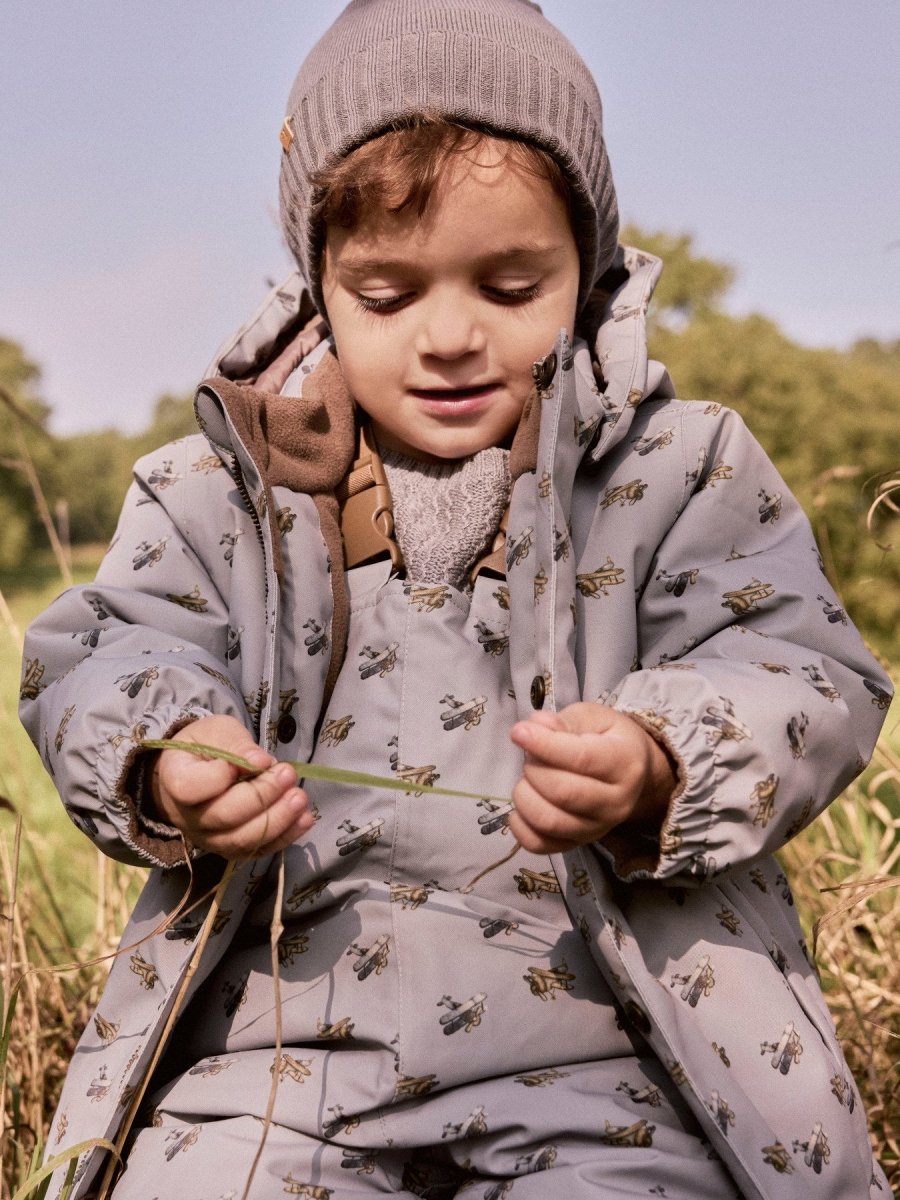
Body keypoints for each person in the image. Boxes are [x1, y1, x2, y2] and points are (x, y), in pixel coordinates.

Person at [20, 2, 892, 1197]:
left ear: (585, 268)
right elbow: (97, 656)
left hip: (609, 1071)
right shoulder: (215, 487)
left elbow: (805, 668)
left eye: (509, 282)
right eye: (387, 294)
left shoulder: (681, 469)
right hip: (270, 1065)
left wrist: (661, 756)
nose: (448, 337)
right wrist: (165, 753)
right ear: (320, 286)